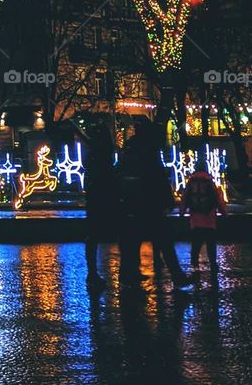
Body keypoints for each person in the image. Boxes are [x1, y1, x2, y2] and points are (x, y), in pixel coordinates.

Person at [117, 120, 191, 289]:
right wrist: (167, 198)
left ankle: (128, 275)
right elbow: (156, 175)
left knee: (132, 242)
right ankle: (177, 276)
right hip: (150, 203)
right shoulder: (149, 149)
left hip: (133, 203)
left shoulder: (130, 148)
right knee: (164, 240)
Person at [82, 123, 119, 290]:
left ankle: (92, 272)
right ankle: (127, 270)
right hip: (106, 199)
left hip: (95, 200)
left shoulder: (92, 156)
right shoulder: (104, 156)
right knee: (120, 234)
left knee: (93, 237)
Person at [181, 156, 227, 285]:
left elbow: (185, 199)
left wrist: (182, 212)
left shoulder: (191, 183)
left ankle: (194, 265)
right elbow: (218, 199)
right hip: (209, 218)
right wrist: (224, 212)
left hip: (195, 218)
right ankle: (213, 264)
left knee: (196, 243)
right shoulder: (210, 182)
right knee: (211, 243)